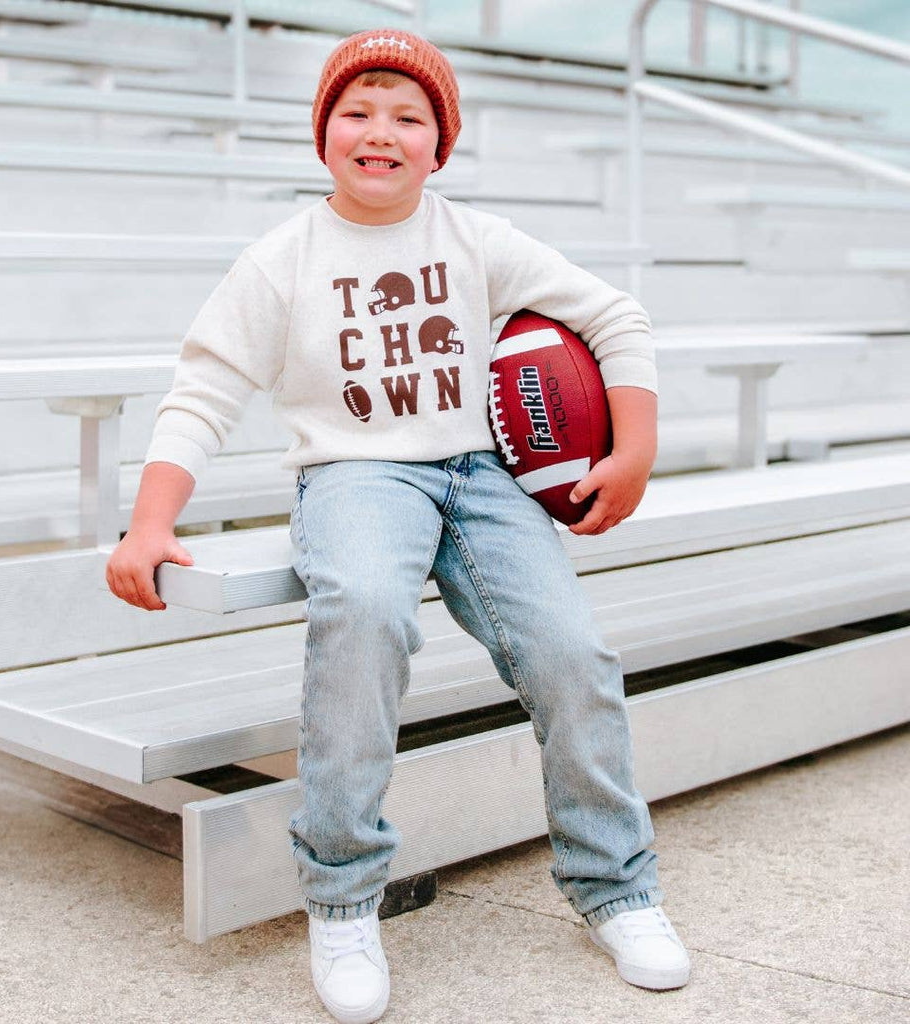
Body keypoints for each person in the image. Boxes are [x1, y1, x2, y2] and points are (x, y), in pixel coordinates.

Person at [106, 28, 690, 1024]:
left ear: (439, 144)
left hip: (484, 474)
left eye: (408, 115)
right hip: (356, 472)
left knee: (571, 652)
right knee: (366, 611)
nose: (381, 130)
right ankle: (342, 895)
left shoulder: (475, 240)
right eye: (358, 109)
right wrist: (147, 522)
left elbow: (616, 318)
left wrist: (630, 450)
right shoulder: (282, 255)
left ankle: (617, 886)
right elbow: (203, 387)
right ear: (323, 133)